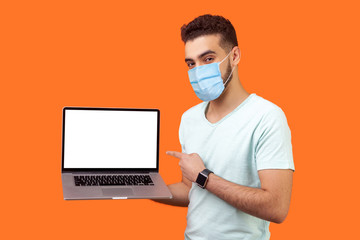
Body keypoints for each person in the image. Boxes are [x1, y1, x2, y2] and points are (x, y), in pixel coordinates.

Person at [154, 14, 295, 240]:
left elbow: (276, 208)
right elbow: (192, 192)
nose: (198, 70)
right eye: (191, 63)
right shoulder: (189, 118)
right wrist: (141, 187)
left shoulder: (266, 117)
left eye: (208, 59)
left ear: (235, 56)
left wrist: (203, 176)